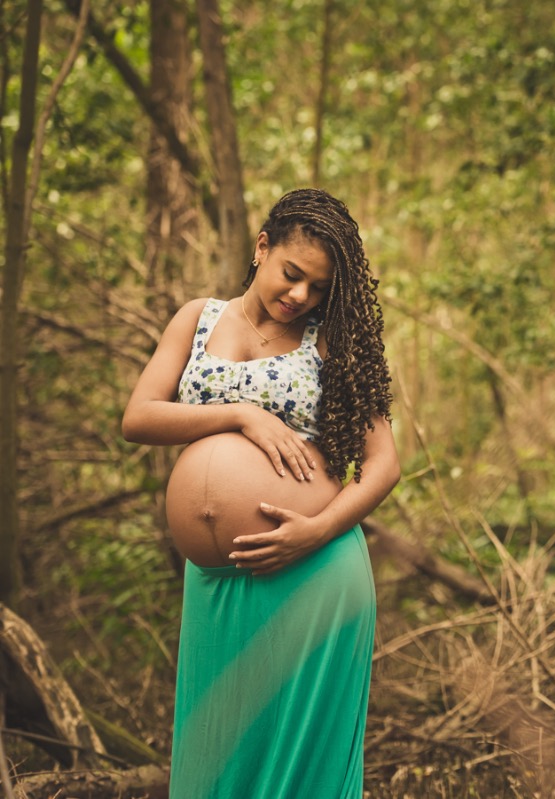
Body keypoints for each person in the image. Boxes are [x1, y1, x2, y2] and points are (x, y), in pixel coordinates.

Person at [123, 188, 400, 798]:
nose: (300, 296)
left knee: (302, 769)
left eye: (319, 289)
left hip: (314, 572)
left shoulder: (329, 343)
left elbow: (383, 465)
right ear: (262, 247)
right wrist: (241, 415)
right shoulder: (198, 318)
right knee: (217, 758)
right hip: (218, 582)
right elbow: (139, 417)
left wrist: (315, 533)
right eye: (292, 274)